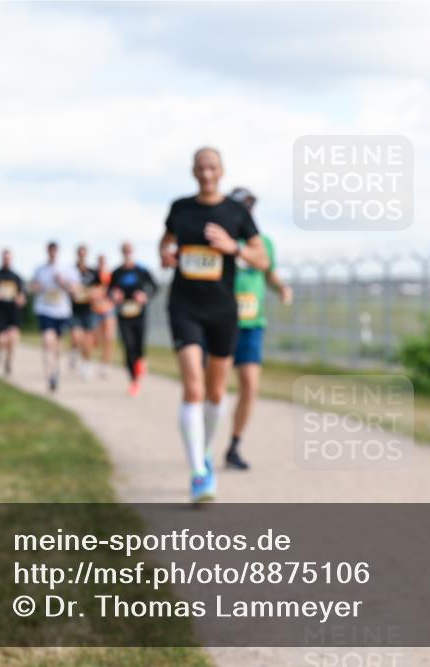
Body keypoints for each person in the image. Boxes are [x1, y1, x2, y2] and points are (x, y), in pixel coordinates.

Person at [159, 147, 269, 503]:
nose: (206, 173)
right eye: (201, 167)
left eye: (212, 168)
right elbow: (167, 240)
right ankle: (199, 473)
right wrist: (165, 253)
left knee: (216, 392)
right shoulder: (181, 208)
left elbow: (262, 258)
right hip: (185, 305)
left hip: (222, 309)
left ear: (221, 171)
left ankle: (204, 451)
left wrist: (232, 247)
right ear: (193, 171)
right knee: (193, 387)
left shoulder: (235, 213)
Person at [225, 187, 293, 470]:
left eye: (250, 207)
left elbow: (268, 271)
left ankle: (234, 445)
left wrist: (281, 288)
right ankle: (201, 442)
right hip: (222, 322)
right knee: (212, 389)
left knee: (250, 387)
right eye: (241, 206)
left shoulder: (263, 242)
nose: (247, 212)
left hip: (252, 323)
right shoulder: (222, 240)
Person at [29, 241, 79, 392]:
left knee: (57, 345)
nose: (52, 253)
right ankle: (49, 374)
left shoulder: (67, 269)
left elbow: (75, 291)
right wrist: (37, 287)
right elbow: (32, 287)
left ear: (58, 252)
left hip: (62, 311)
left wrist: (63, 282)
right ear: (47, 251)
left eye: (55, 251)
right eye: (50, 251)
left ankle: (55, 370)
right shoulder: (40, 269)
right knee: (47, 340)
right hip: (45, 310)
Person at [109, 242, 157, 396]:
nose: (127, 254)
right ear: (121, 253)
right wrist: (114, 295)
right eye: (125, 251)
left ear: (133, 252)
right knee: (128, 346)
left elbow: (155, 287)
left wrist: (145, 296)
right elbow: (109, 290)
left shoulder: (142, 270)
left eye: (129, 251)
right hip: (124, 314)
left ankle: (140, 362)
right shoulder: (116, 272)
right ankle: (133, 380)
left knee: (139, 345)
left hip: (139, 314)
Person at [0, 249, 26, 377]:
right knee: (2, 339)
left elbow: (22, 295)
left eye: (9, 258)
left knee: (13, 337)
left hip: (13, 311)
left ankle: (8, 361)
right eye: (5, 258)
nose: (7, 261)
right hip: (0, 311)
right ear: (2, 259)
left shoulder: (16, 277)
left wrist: (21, 299)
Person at [68, 244, 101, 380]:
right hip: (74, 309)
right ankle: (75, 351)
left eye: (84, 254)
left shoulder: (93, 272)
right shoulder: (70, 271)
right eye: (80, 254)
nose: (82, 256)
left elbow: (101, 288)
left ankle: (86, 365)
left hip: (89, 309)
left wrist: (95, 294)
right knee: (77, 337)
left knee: (88, 340)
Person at [92, 253, 116, 376]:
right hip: (95, 310)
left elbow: (114, 292)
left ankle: (105, 364)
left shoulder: (109, 276)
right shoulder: (93, 275)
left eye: (103, 261)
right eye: (99, 261)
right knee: (95, 339)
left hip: (108, 309)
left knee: (108, 338)